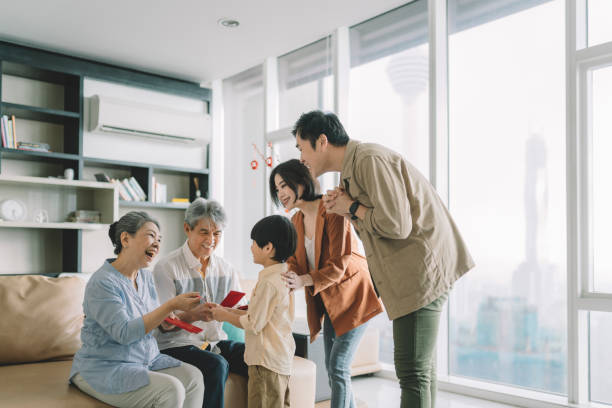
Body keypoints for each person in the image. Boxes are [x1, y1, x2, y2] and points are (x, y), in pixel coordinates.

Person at [292, 110, 475, 408]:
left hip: (421, 273)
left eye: (302, 148)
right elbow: (378, 230)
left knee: (411, 370)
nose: (301, 158)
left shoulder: (368, 160)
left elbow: (396, 225)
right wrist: (347, 206)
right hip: (415, 273)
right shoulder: (352, 171)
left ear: (322, 141)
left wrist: (351, 207)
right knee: (420, 371)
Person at [269, 159, 383, 408]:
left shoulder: (331, 210)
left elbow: (339, 262)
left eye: (284, 186)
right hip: (329, 301)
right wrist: (285, 274)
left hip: (354, 296)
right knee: (334, 370)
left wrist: (302, 280)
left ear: (300, 182)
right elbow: (296, 262)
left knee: (339, 366)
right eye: (277, 189)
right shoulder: (296, 222)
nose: (280, 194)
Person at [69, 211, 204, 408]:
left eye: (159, 239)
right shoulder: (102, 282)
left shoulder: (146, 277)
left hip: (145, 360)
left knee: (193, 377)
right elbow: (124, 333)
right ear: (125, 239)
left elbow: (150, 322)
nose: (157, 243)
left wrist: (168, 319)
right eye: (150, 235)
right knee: (171, 389)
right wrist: (170, 305)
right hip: (105, 366)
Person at [153, 198, 247, 408]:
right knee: (216, 365)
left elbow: (239, 310)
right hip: (175, 345)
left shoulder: (227, 269)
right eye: (204, 232)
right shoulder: (166, 268)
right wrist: (194, 314)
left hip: (214, 342)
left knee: (256, 356)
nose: (211, 240)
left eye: (217, 233)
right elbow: (164, 323)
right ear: (187, 228)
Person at [209, 215, 297, 408]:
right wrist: (226, 310)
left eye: (254, 243)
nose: (251, 247)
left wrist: (223, 315)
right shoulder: (283, 277)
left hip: (265, 362)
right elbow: (259, 315)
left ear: (268, 248)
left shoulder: (268, 283)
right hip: (280, 358)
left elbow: (253, 323)